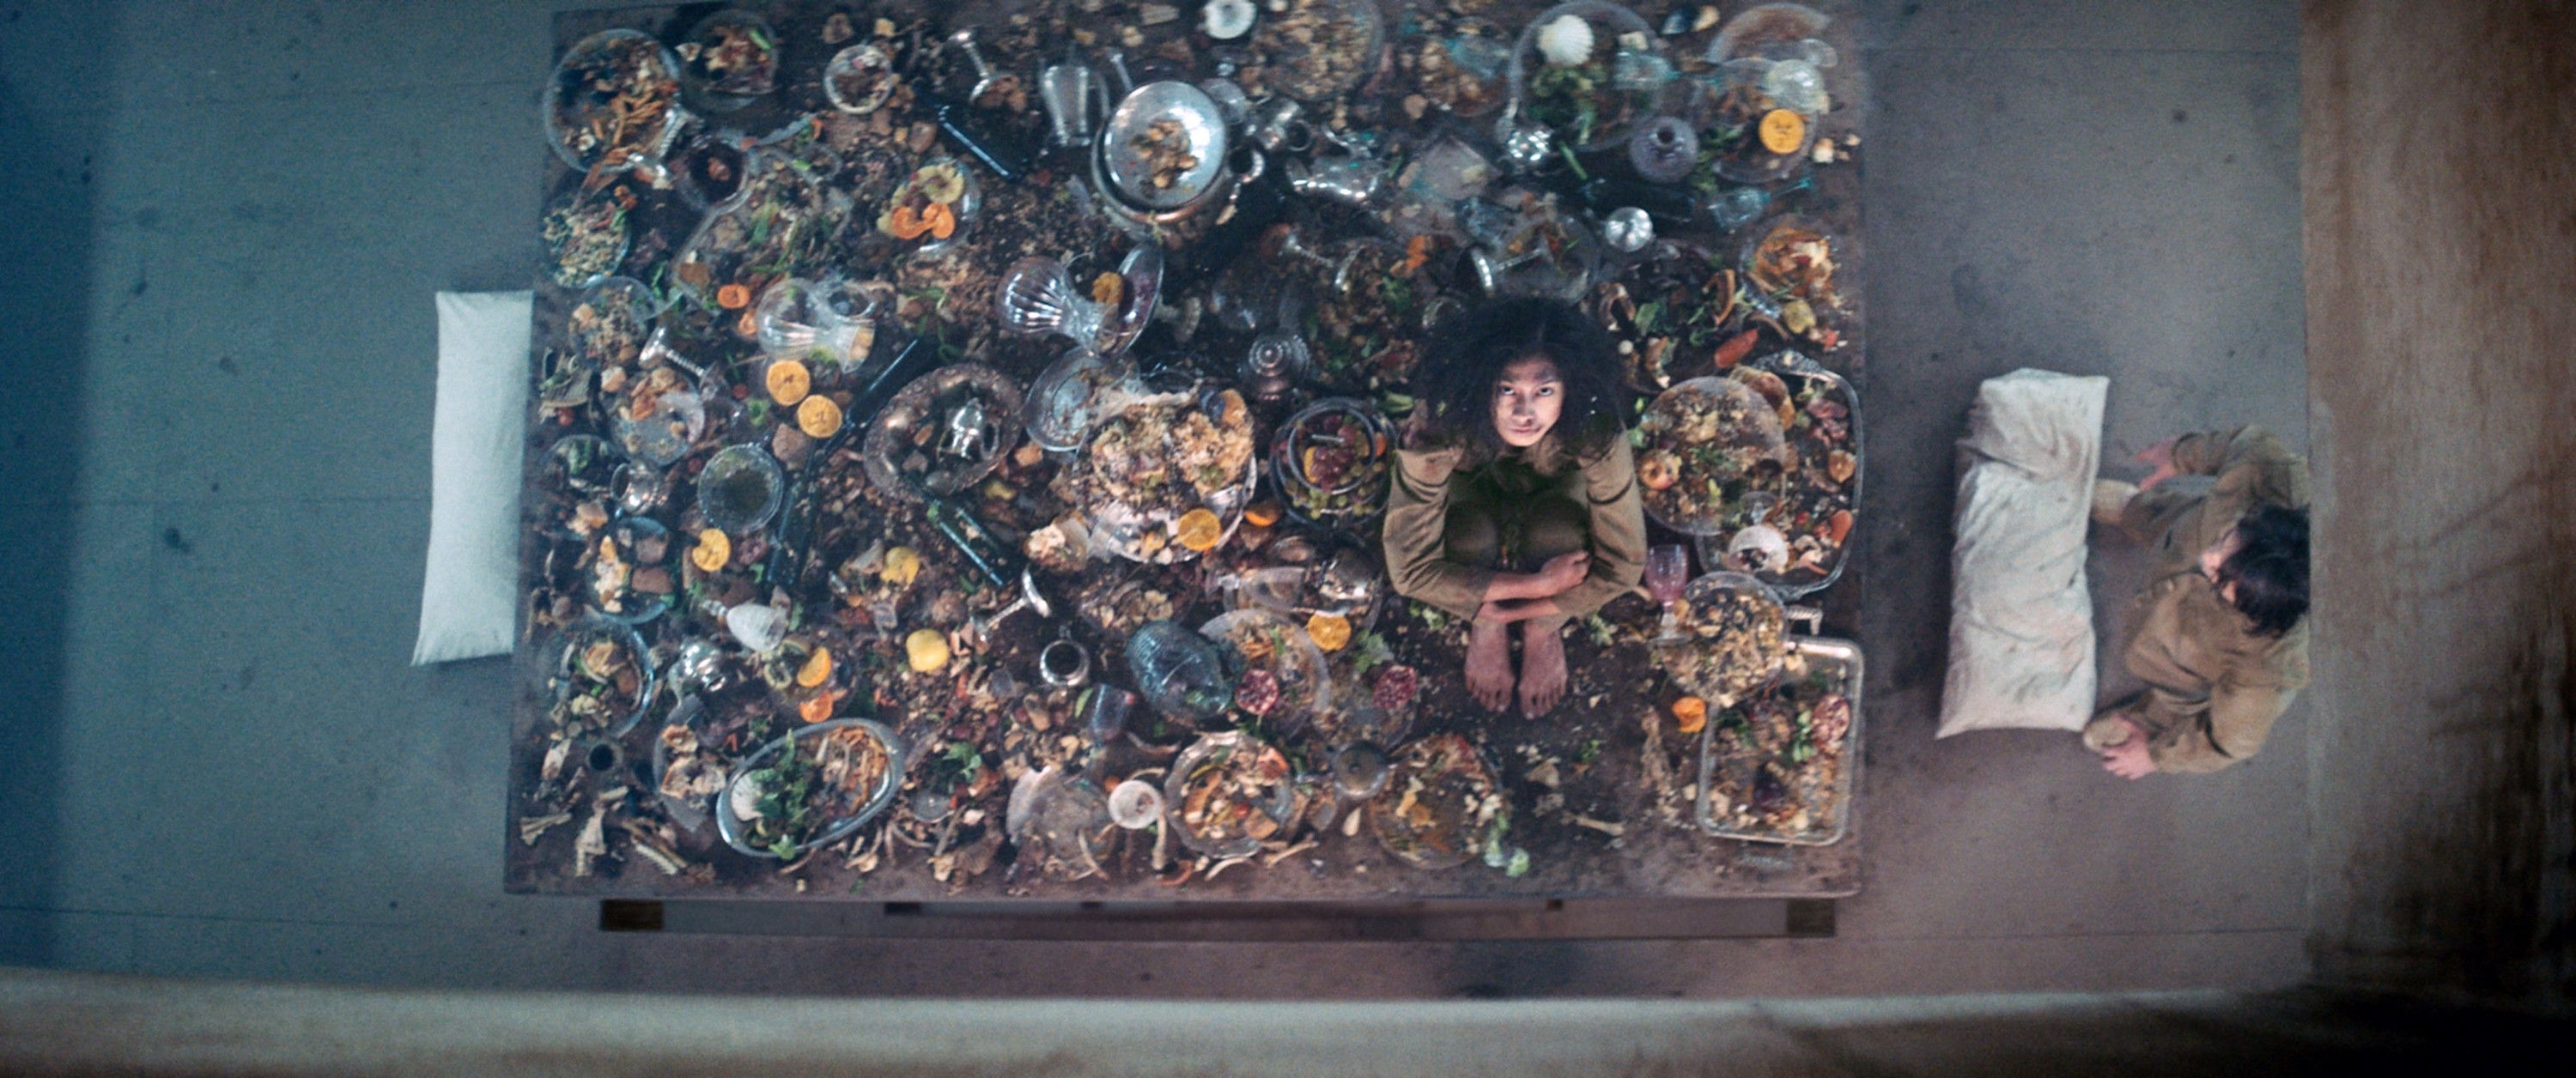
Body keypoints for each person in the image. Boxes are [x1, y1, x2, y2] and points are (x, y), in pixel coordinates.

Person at [1382, 298, 1647, 717]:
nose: (1525, 412)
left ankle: (1543, 633)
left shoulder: (1592, 424)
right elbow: (1410, 572)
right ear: (1480, 384)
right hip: (1470, 492)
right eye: (1507, 390)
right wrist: (1534, 588)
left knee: (1558, 536)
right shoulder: (1441, 422)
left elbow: (1625, 566)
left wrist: (1535, 613)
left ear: (1569, 388)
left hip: (1559, 494)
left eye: (1544, 390)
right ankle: (1486, 629)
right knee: (1470, 538)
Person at [2085, 426, 2312, 778]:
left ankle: (2156, 718)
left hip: (2185, 662)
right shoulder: (2268, 476)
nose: (2207, 558)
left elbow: (2230, 742)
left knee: (2181, 694)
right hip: (2180, 529)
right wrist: (2181, 454)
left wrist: (2157, 756)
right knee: (2176, 522)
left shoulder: (2262, 669)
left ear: (2258, 611)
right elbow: (2247, 444)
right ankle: (2136, 509)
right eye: (2225, 541)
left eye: (2223, 578)